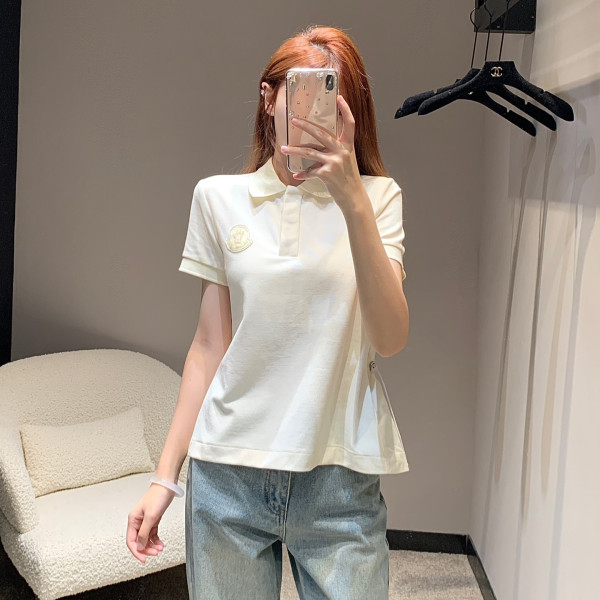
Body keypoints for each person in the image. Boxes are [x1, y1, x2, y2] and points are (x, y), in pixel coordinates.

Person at [127, 23, 410, 599]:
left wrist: (352, 199)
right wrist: (165, 477)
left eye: (332, 99)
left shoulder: (379, 199)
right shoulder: (217, 198)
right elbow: (209, 347)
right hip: (227, 473)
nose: (313, 115)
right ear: (268, 97)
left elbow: (389, 337)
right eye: (301, 95)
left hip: (338, 479)